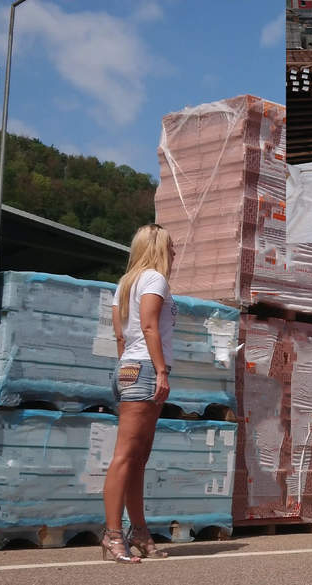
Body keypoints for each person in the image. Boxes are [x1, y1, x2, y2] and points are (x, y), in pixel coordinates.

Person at [101, 223, 176, 563]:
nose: (174, 252)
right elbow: (148, 326)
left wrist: (126, 370)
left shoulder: (125, 283)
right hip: (146, 368)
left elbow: (120, 336)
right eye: (171, 246)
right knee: (126, 456)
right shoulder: (155, 280)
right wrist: (159, 370)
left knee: (137, 458)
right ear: (158, 248)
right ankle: (113, 534)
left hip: (129, 366)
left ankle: (139, 531)